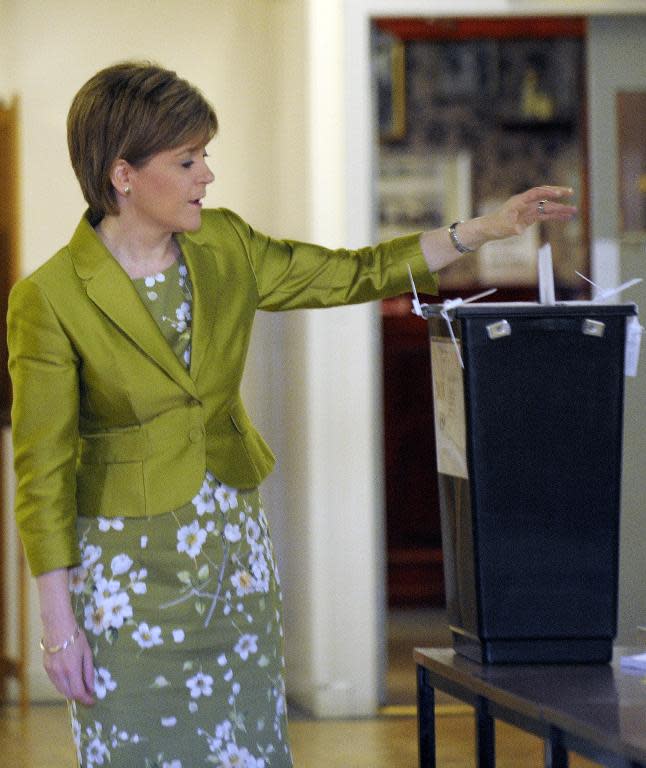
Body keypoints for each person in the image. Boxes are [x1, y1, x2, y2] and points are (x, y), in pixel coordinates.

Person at [7, 61, 576, 768]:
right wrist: (57, 622)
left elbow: (351, 272)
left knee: (248, 751)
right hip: (126, 581)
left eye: (204, 156)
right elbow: (43, 469)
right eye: (187, 160)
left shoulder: (226, 246)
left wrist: (484, 230)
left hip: (233, 561)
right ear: (122, 175)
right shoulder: (51, 297)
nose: (206, 176)